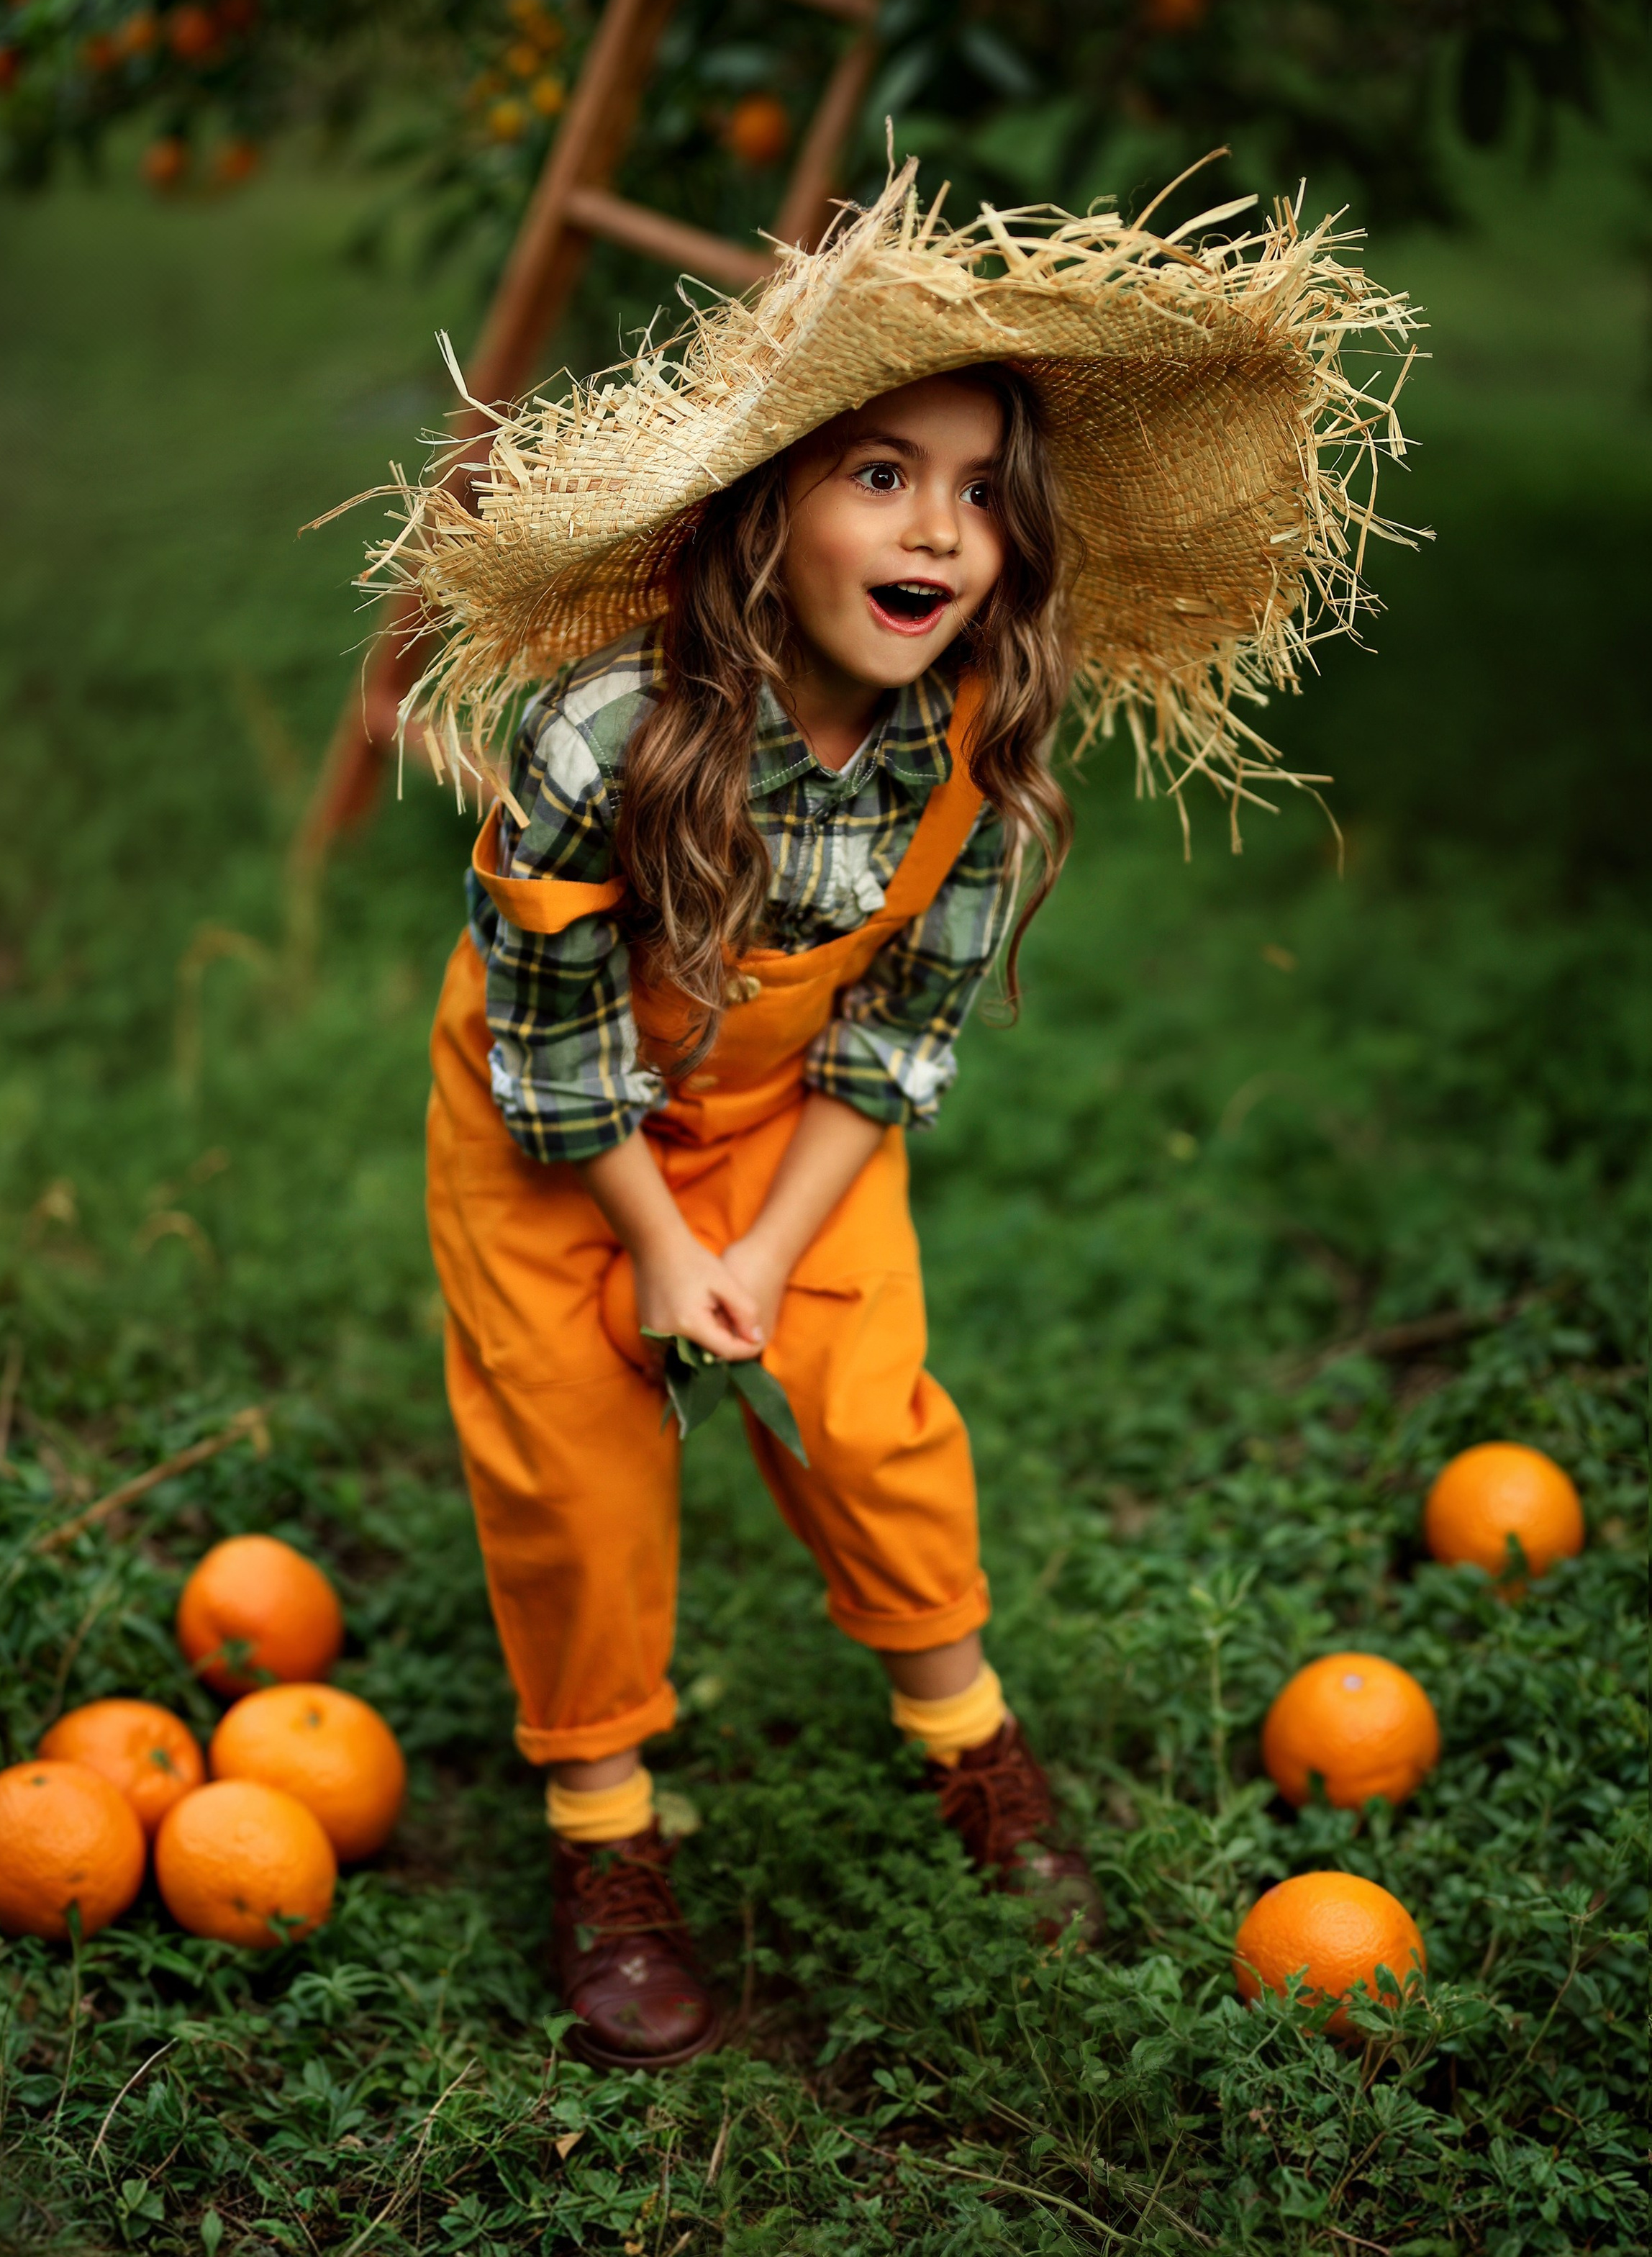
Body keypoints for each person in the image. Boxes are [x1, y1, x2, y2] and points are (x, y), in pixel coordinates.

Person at [362, 160, 1413, 2068]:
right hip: (557, 1126)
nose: (942, 526)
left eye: (984, 491)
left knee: (876, 1415)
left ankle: (968, 1740)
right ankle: (605, 1832)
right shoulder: (604, 736)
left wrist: (757, 1252)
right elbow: (557, 1045)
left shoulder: (985, 765)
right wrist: (661, 1250)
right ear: (770, 511)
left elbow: (892, 1043)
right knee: (575, 1458)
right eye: (883, 474)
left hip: (789, 1123)